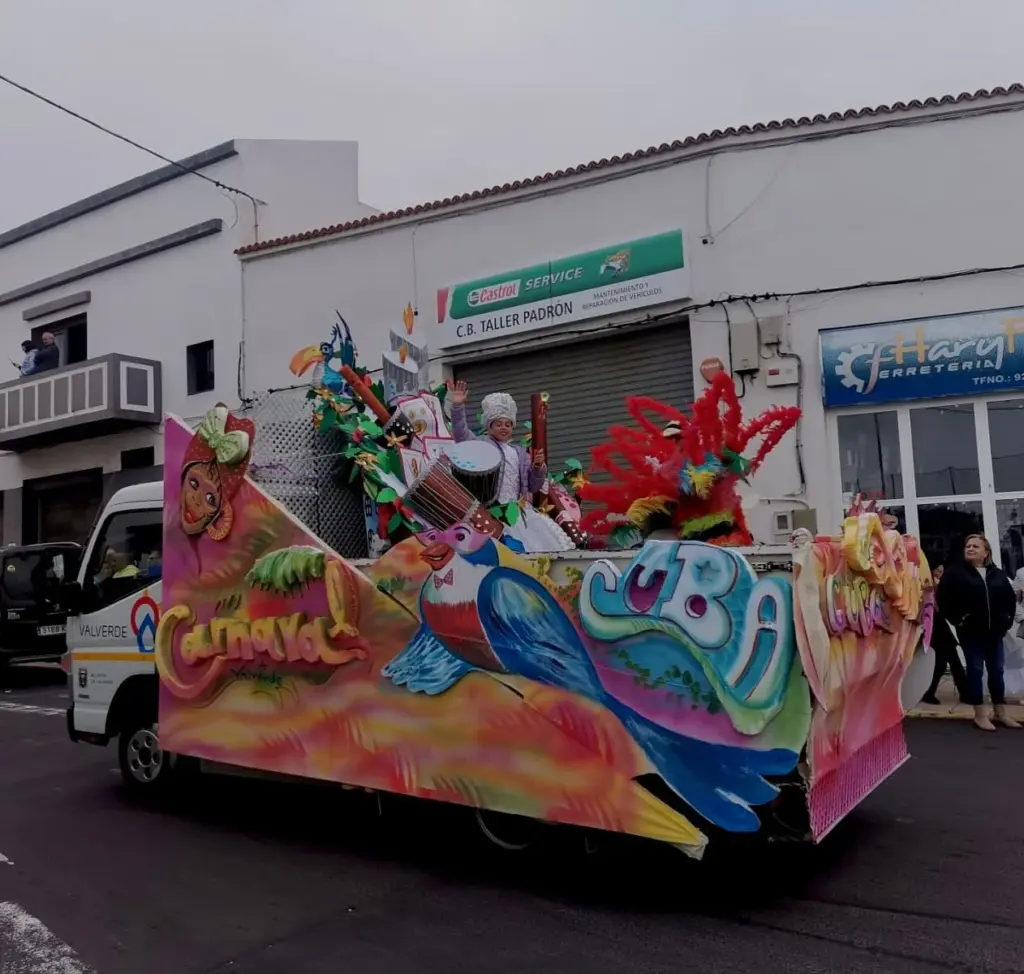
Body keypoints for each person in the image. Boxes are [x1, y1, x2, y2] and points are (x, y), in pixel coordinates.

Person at [448, 380, 573, 553]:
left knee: (542, 545)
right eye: (498, 424)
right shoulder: (481, 444)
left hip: (519, 512)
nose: (504, 428)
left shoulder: (520, 453)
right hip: (493, 512)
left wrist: (537, 467)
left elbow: (533, 486)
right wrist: (457, 406)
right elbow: (461, 433)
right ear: (489, 426)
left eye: (508, 424)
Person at [936, 534, 1021, 731]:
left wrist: (1006, 621)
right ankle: (980, 714)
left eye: (975, 546)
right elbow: (943, 600)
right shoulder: (955, 573)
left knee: (997, 671)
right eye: (968, 546)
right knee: (975, 671)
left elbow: (1009, 599)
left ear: (986, 552)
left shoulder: (997, 574)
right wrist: (959, 620)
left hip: (995, 633)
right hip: (971, 633)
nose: (970, 548)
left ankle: (1001, 713)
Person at [921, 564, 969, 705]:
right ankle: (964, 693)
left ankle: (931, 692)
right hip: (936, 626)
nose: (940, 574)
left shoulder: (938, 583)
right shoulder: (929, 585)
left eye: (942, 571)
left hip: (939, 625)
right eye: (938, 571)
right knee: (949, 662)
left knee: (946, 662)